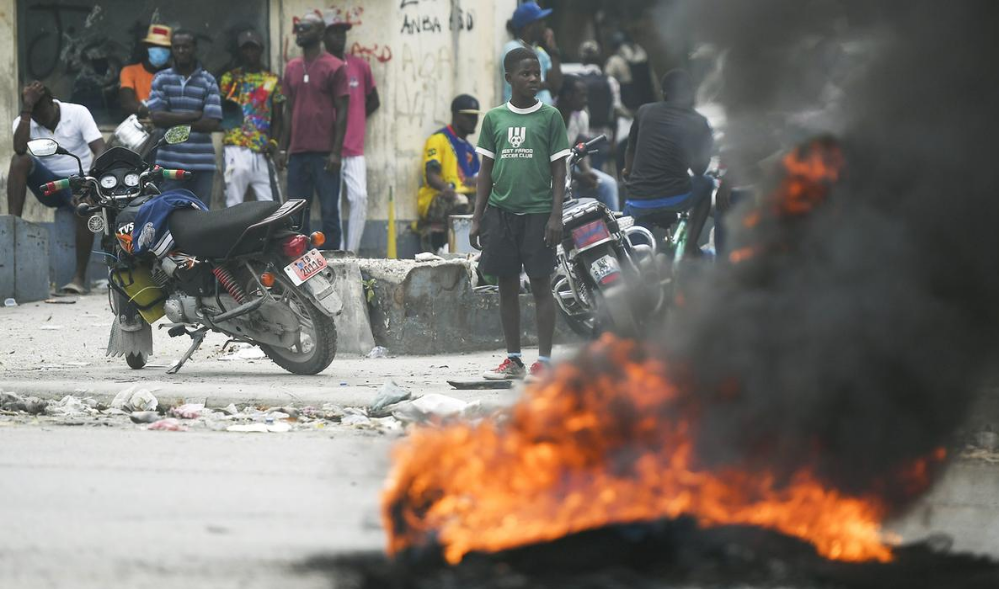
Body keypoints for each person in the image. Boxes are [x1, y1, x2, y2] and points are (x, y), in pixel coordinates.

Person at [471, 47, 570, 382]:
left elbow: (560, 172)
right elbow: (485, 171)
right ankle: (513, 361)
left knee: (542, 286)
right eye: (526, 74)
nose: (533, 79)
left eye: (536, 74)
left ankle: (544, 361)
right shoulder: (495, 118)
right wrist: (477, 217)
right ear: (509, 78)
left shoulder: (551, 117)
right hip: (501, 214)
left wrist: (556, 216)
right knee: (506, 287)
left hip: (539, 214)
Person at [8, 82, 106, 294]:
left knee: (85, 208)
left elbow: (100, 149)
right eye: (33, 114)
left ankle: (78, 278)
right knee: (19, 161)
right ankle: (12, 225)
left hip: (79, 180)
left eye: (40, 111)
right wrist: (27, 110)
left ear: (51, 103)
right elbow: (18, 149)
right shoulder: (25, 120)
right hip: (50, 185)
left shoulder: (78, 113)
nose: (39, 119)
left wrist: (88, 182)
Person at [277, 12, 350, 249]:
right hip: (297, 154)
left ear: (320, 33)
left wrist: (336, 152)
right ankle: (300, 263)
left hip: (325, 155)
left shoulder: (335, 66)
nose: (300, 32)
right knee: (297, 213)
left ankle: (333, 264)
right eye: (298, 27)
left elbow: (342, 111)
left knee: (329, 211)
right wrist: (282, 147)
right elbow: (288, 110)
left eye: (305, 28)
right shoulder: (292, 67)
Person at [622, 69, 713, 257]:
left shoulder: (644, 111)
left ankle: (636, 258)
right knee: (707, 183)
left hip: (638, 199)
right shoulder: (699, 121)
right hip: (676, 197)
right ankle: (690, 245)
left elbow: (631, 149)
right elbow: (699, 170)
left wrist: (628, 171)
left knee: (636, 233)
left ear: (664, 94)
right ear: (691, 93)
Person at [323, 9, 380, 253]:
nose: (339, 37)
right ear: (324, 36)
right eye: (333, 32)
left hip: (355, 148)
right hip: (327, 148)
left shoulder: (360, 66)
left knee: (359, 197)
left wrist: (354, 118)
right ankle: (336, 253)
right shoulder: (320, 66)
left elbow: (373, 100)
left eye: (342, 32)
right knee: (331, 204)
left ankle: (352, 253)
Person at [147, 29, 223, 204]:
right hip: (169, 165)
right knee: (169, 213)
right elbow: (157, 118)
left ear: (194, 48)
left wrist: (171, 118)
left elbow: (211, 123)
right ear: (172, 49)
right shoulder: (161, 79)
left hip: (202, 164)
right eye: (177, 47)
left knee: (200, 215)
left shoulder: (208, 80)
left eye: (186, 47)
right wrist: (193, 115)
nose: (181, 51)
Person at [218, 29, 284, 208]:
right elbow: (220, 111)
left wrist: (274, 143)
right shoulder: (229, 79)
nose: (250, 53)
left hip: (263, 150)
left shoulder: (272, 80)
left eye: (253, 48)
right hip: (235, 148)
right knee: (233, 205)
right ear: (240, 52)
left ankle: (274, 237)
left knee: (272, 205)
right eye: (245, 49)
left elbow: (279, 117)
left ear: (261, 49)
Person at [417, 94, 482, 252]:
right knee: (460, 203)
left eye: (475, 116)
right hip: (438, 197)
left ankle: (477, 253)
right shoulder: (439, 139)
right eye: (469, 116)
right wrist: (446, 188)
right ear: (456, 115)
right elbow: (431, 174)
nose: (474, 120)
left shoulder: (470, 149)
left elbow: (476, 179)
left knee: (488, 206)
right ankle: (450, 249)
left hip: (464, 196)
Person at [556, 75, 619, 211]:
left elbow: (581, 148)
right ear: (568, 96)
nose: (585, 101)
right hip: (550, 171)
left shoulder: (581, 117)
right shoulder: (549, 117)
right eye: (582, 96)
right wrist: (579, 177)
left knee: (608, 184)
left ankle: (613, 227)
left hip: (570, 167)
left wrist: (587, 172)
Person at [501, 1, 563, 106]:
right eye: (540, 22)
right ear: (528, 27)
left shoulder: (540, 52)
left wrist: (553, 50)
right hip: (521, 116)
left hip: (542, 117)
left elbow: (556, 84)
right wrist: (547, 85)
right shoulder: (512, 48)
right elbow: (523, 85)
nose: (544, 26)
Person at [577, 40, 625, 172]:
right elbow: (615, 112)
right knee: (602, 179)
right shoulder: (611, 82)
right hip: (604, 138)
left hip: (580, 140)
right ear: (599, 59)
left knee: (583, 180)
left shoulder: (575, 81)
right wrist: (614, 141)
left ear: (582, 59)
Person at [119, 24, 173, 120]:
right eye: (155, 46)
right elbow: (127, 103)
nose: (160, 50)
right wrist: (149, 112)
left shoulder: (175, 75)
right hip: (140, 126)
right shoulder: (130, 71)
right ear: (147, 47)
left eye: (164, 47)